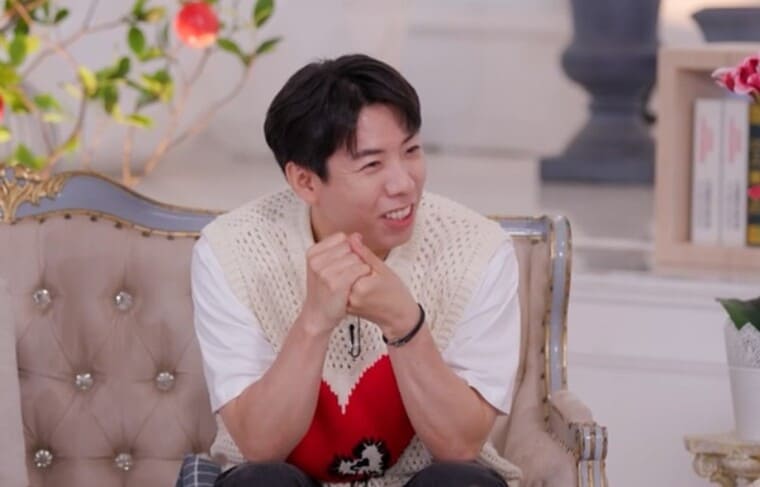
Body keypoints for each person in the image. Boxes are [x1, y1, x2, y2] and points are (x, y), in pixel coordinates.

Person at [191, 53, 521, 487]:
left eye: (411, 151)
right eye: (372, 165)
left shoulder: (478, 248)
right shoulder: (231, 250)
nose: (404, 183)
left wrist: (404, 323)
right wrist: (313, 322)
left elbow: (459, 448)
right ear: (305, 181)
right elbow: (261, 447)